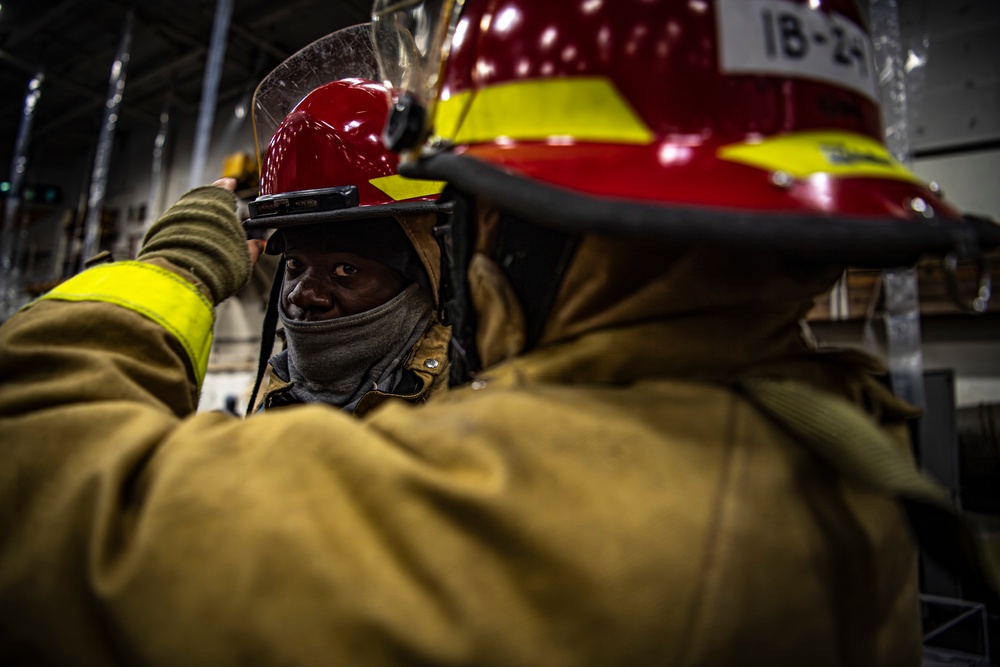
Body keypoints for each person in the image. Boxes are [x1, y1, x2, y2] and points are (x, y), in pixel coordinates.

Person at [1, 7, 997, 667]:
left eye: (474, 208)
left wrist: (168, 273)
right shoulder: (820, 418)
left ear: (533, 223)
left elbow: (43, 490)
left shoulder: (583, 500)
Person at [244, 74, 450, 415]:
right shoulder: (278, 390)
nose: (302, 295)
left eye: (345, 269)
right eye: (294, 263)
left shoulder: (466, 413)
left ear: (425, 276)